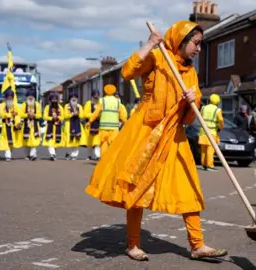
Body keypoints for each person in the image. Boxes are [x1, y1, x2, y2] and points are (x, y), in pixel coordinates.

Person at [85, 20, 227, 261]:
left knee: (189, 186)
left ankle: (197, 245)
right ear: (181, 40)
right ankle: (133, 245)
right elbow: (128, 71)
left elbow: (189, 119)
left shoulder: (190, 72)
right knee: (136, 187)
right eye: (196, 43)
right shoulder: (158, 57)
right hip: (145, 132)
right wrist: (150, 44)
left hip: (174, 135)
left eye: (201, 44)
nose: (199, 49)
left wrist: (193, 100)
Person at [86, 85, 127, 157]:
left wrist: (90, 121)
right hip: (114, 128)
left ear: (105, 91)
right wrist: (126, 123)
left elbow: (96, 113)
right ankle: (112, 160)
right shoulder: (117, 102)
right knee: (114, 144)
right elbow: (122, 115)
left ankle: (103, 161)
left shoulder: (102, 101)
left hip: (103, 127)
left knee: (103, 144)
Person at [199, 94, 224, 171]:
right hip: (212, 131)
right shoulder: (217, 110)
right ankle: (210, 165)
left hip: (202, 131)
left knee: (203, 148)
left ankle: (204, 164)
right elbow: (220, 120)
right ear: (218, 102)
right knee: (210, 149)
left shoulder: (203, 108)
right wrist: (220, 127)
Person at [0, 89, 22, 161]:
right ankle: (8, 155)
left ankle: (9, 154)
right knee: (6, 140)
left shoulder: (15, 105)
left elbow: (18, 114)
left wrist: (18, 123)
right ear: (6, 97)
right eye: (8, 96)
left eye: (11, 97)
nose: (9, 98)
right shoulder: (3, 105)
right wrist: (10, 114)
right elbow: (2, 115)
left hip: (13, 126)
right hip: (5, 126)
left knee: (11, 141)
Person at [20, 90, 41, 161]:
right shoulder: (24, 104)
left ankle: (32, 155)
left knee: (34, 140)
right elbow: (21, 114)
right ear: (27, 97)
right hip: (26, 125)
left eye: (32, 96)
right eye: (29, 96)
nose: (31, 98)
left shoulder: (37, 104)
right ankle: (27, 155)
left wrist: (34, 115)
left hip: (35, 125)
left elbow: (39, 115)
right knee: (26, 141)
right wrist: (27, 115)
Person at [42, 93, 65, 161]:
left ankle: (53, 154)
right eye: (53, 99)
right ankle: (53, 154)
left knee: (56, 142)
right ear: (50, 100)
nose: (54, 100)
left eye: (55, 99)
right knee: (49, 141)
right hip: (50, 126)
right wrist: (51, 118)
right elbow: (44, 117)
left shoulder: (60, 107)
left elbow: (63, 117)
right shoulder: (47, 107)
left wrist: (57, 117)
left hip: (57, 127)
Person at [64, 93, 86, 160]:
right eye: (72, 97)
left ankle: (74, 155)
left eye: (75, 97)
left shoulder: (80, 106)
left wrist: (78, 114)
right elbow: (65, 116)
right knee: (68, 140)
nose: (74, 98)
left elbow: (82, 116)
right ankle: (67, 154)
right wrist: (72, 114)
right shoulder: (66, 106)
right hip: (69, 125)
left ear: (77, 99)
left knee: (76, 140)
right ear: (70, 99)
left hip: (77, 125)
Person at [83, 89, 101, 161]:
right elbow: (85, 114)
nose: (96, 97)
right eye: (95, 95)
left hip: (98, 124)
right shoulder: (88, 103)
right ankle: (89, 155)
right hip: (89, 125)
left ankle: (97, 155)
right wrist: (93, 115)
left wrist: (98, 115)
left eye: (97, 95)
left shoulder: (100, 103)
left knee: (97, 142)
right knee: (89, 142)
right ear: (92, 96)